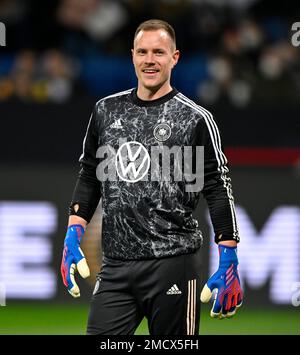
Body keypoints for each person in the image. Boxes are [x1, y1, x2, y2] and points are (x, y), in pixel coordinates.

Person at [60, 19, 243, 335]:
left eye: (159, 52)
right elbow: (89, 174)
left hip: (172, 263)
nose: (149, 59)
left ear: (174, 58)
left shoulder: (196, 118)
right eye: (142, 51)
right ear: (132, 55)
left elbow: (217, 186)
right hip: (115, 266)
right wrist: (73, 233)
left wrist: (228, 255)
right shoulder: (106, 110)